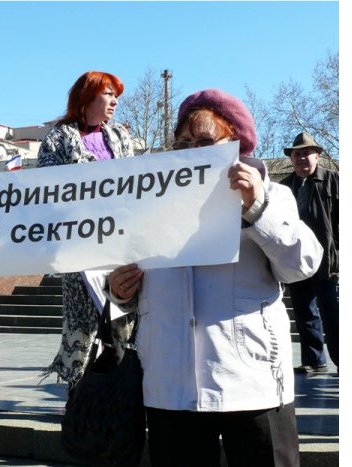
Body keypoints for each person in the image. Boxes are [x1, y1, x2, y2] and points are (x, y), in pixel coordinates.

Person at [108, 89, 323, 466]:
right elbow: (127, 277)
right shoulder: (147, 207)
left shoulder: (271, 195)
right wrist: (120, 291)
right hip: (171, 387)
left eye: (206, 140)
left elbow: (302, 264)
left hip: (251, 382)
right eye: (183, 141)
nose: (192, 149)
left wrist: (257, 209)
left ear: (234, 145)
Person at [37, 71, 135, 388]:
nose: (115, 100)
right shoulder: (59, 137)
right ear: (88, 97)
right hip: (79, 249)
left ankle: (120, 392)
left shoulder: (120, 136)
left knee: (121, 322)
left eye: (115, 94)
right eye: (108, 93)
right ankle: (79, 396)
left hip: (118, 246)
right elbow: (46, 189)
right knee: (82, 324)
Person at [280, 132, 339, 373]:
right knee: (304, 312)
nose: (302, 158)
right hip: (297, 260)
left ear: (317, 156)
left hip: (326, 261)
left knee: (332, 314)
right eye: (297, 154)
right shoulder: (283, 187)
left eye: (307, 153)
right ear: (291, 158)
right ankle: (314, 361)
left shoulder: (334, 180)